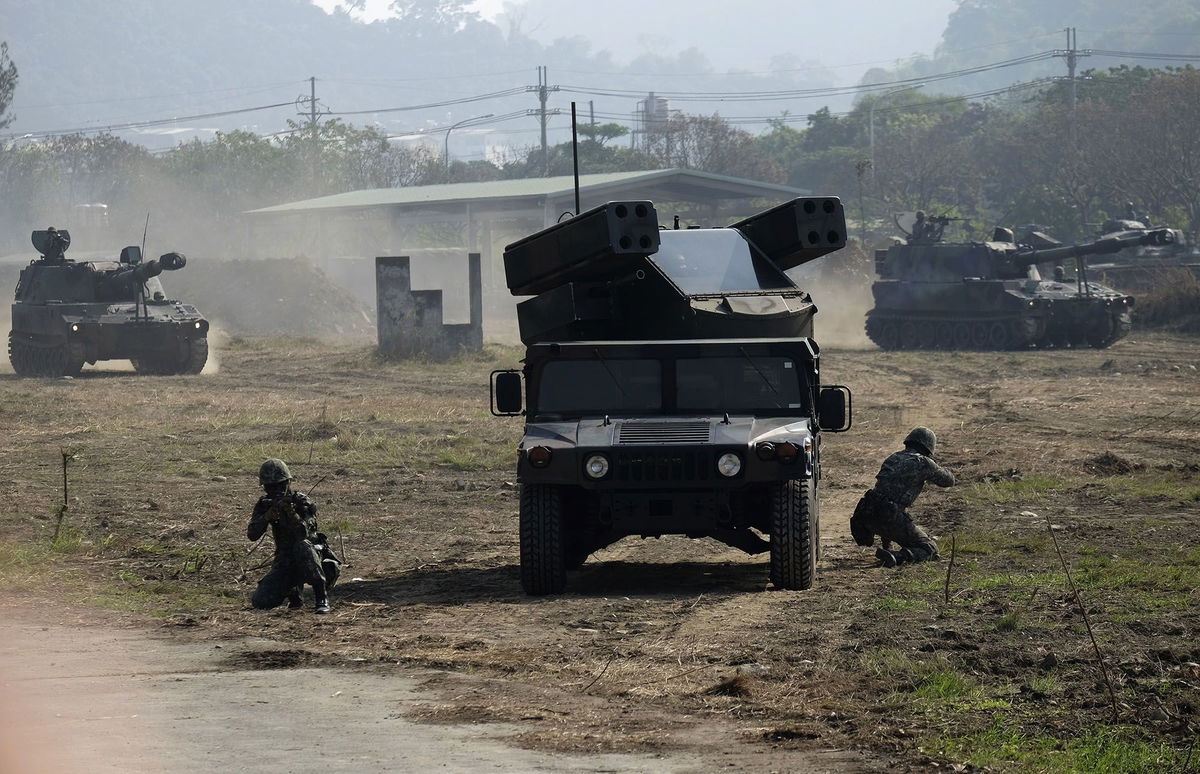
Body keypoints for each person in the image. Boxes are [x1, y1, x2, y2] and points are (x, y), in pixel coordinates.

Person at [849, 427, 956, 567]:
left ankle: (887, 548)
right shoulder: (924, 462)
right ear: (928, 447)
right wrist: (934, 465)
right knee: (930, 549)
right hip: (889, 516)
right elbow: (948, 481)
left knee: (889, 507)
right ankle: (896, 556)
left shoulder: (894, 457)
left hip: (866, 514)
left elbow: (885, 494)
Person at [247, 458, 332, 614]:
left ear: (288, 483)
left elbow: (304, 533)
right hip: (285, 559)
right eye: (271, 487)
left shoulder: (301, 502)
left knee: (302, 547)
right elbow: (252, 535)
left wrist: (291, 513)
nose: (276, 490)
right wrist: (267, 517)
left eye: (280, 485)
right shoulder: (265, 504)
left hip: (313, 558)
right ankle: (294, 593)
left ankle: (321, 597)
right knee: (261, 601)